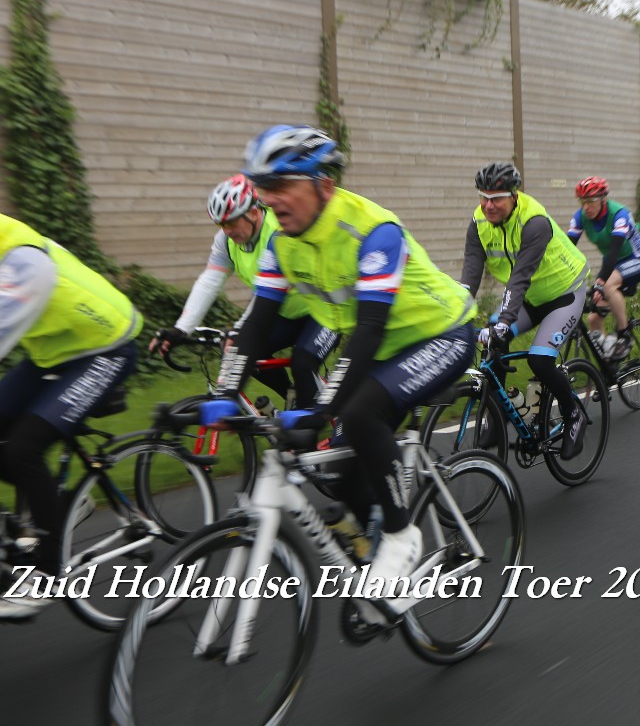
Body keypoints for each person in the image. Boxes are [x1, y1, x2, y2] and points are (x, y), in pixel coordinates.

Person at [215, 125, 481, 593]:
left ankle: (401, 536)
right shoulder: (282, 242)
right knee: (336, 469)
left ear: (324, 184)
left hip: (441, 335)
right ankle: (376, 563)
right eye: (264, 187)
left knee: (359, 415)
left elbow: (369, 328)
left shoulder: (373, 230)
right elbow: (257, 323)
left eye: (282, 185)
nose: (270, 198)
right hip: (382, 350)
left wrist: (323, 407)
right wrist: (223, 394)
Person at [0, 213, 143, 620]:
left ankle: (47, 573)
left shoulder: (23, 260)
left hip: (105, 349)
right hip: (54, 353)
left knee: (23, 449)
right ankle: (58, 506)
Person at [149, 175, 338, 407]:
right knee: (245, 354)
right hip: (286, 314)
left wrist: (240, 330)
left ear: (253, 213)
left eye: (231, 222)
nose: (227, 230)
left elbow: (265, 294)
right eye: (221, 224)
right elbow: (209, 282)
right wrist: (181, 329)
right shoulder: (225, 242)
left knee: (303, 362)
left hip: (324, 312)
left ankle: (323, 417)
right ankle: (292, 397)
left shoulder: (280, 232)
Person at [458, 161, 592, 460]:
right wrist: (456, 314)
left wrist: (504, 321)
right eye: (483, 197)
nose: (488, 205)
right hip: (530, 298)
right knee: (493, 345)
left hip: (564, 294)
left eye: (496, 198)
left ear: (514, 195)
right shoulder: (478, 223)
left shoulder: (534, 222)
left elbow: (519, 277)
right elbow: (470, 274)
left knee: (540, 360)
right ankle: (497, 417)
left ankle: (573, 414)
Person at [566, 176, 640, 361]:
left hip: (637, 259)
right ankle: (609, 364)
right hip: (613, 265)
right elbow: (567, 249)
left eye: (591, 201)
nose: (586, 207)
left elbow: (613, 252)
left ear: (603, 199)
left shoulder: (619, 214)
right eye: (582, 202)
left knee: (606, 286)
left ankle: (624, 334)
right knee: (593, 319)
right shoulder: (580, 217)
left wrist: (600, 282)